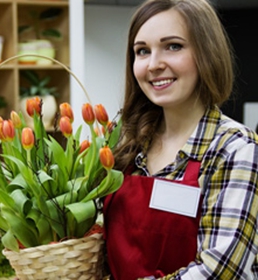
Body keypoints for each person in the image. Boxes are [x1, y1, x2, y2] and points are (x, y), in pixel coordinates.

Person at [103, 0, 258, 279]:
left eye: (173, 46)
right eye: (142, 51)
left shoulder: (234, 148)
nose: (154, 64)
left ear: (206, 53)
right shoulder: (125, 143)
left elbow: (221, 271)